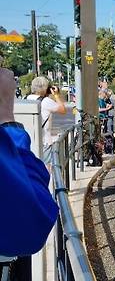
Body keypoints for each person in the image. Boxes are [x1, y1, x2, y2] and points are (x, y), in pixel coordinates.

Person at [0, 68, 58, 257]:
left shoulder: (29, 98)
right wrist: (6, 118)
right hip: (40, 144)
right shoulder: (48, 101)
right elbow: (33, 220)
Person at [27, 76, 66, 164]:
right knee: (45, 167)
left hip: (29, 141)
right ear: (45, 88)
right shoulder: (46, 101)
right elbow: (62, 110)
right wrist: (56, 95)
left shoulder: (26, 98)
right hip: (44, 142)